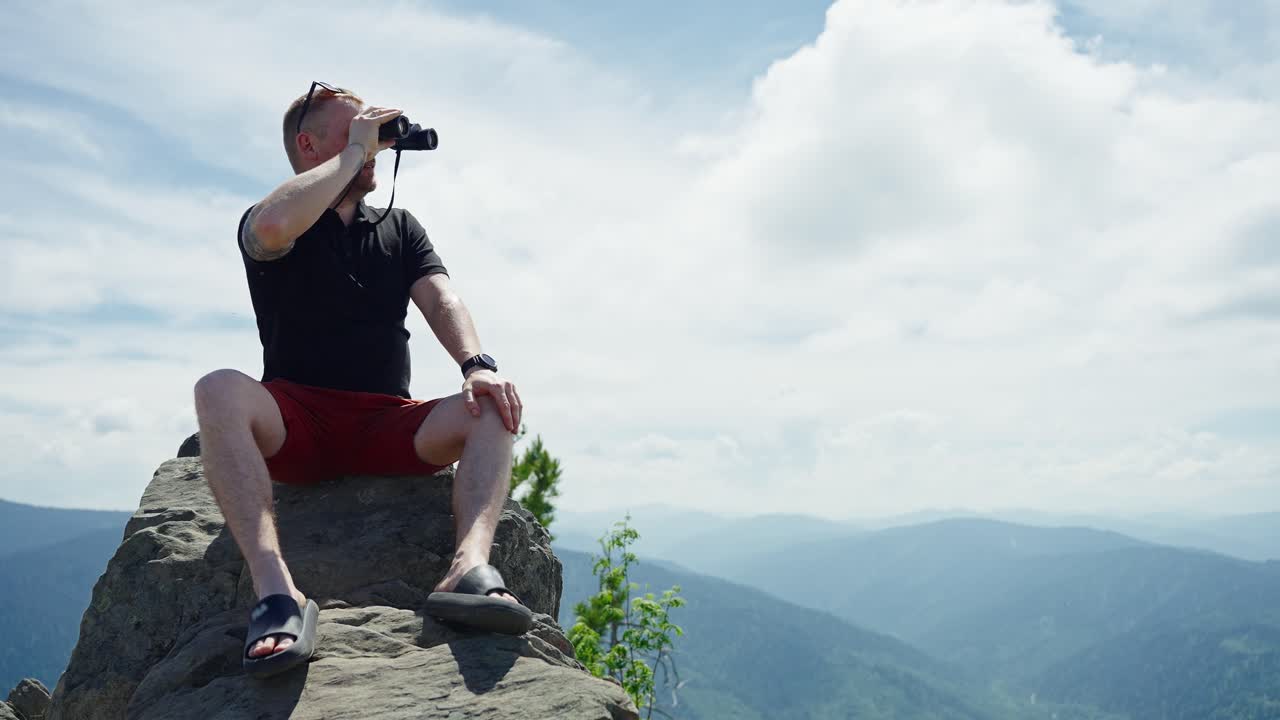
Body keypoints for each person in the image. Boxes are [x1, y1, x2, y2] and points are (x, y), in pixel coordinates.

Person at [193, 83, 532, 680]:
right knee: (216, 387)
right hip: (296, 420)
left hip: (387, 421)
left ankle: (467, 570)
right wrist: (352, 154)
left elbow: (440, 296)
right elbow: (273, 227)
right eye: (354, 130)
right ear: (308, 142)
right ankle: (278, 595)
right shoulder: (273, 217)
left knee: (490, 405)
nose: (370, 144)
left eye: (373, 136)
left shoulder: (400, 226)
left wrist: (476, 364)